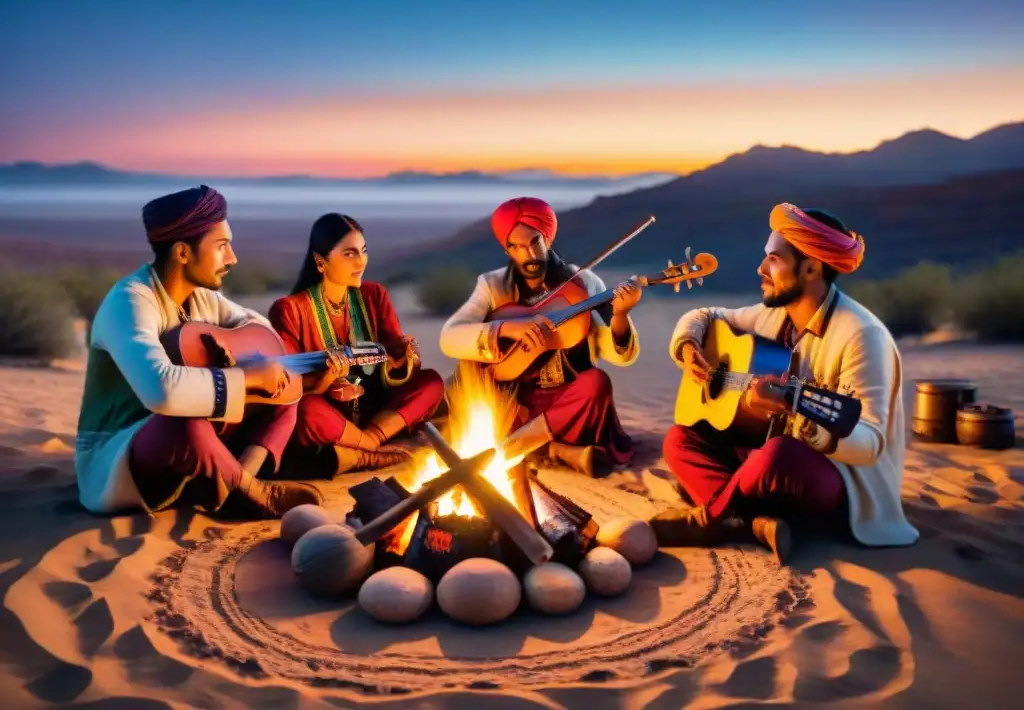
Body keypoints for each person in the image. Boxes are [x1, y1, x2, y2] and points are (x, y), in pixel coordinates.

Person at [653, 203, 919, 563]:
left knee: (779, 454)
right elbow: (705, 315)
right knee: (680, 440)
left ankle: (711, 519)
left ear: (811, 267)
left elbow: (871, 442)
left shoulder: (862, 335)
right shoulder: (772, 315)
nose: (760, 269)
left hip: (839, 481)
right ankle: (757, 524)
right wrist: (688, 345)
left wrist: (804, 421)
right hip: (766, 461)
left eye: (774, 260)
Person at [75, 186, 322, 519]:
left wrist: (260, 366)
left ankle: (239, 479)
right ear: (182, 253)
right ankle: (252, 490)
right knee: (182, 421)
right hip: (120, 449)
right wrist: (244, 377)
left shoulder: (202, 298)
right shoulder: (129, 301)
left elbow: (257, 326)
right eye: (221, 246)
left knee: (284, 394)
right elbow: (160, 391)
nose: (232, 258)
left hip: (194, 441)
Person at [438, 196, 642, 476]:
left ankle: (516, 449)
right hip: (517, 404)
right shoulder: (493, 285)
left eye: (535, 242)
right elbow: (450, 338)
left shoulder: (583, 282)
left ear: (547, 239)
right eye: (517, 247)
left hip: (568, 403)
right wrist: (507, 328)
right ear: (507, 250)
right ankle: (557, 450)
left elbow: (616, 354)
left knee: (596, 383)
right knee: (469, 374)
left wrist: (620, 315)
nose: (530, 255)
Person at [268, 213, 445, 474]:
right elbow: (287, 386)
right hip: (329, 413)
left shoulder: (374, 295)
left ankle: (365, 447)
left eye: (363, 251)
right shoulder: (290, 309)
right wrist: (326, 379)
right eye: (349, 254)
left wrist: (405, 357)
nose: (361, 262)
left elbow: (396, 366)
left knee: (431, 383)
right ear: (320, 262)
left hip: (376, 411)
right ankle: (379, 455)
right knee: (303, 412)